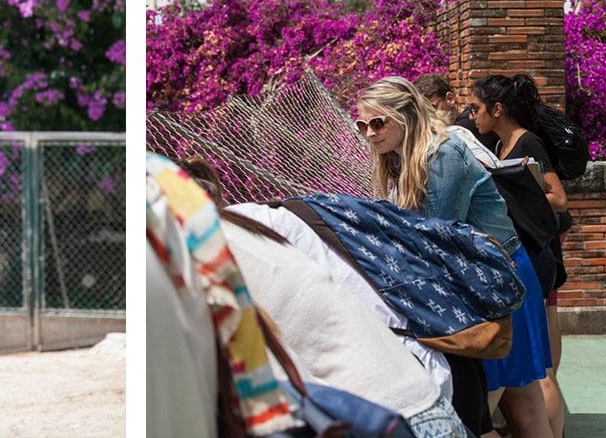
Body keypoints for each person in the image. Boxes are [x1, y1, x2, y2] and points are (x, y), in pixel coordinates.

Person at [175, 158, 467, 438]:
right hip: (422, 400)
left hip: (379, 417)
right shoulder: (245, 225)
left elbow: (277, 389)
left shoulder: (203, 256)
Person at [356, 76, 553, 438]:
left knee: (480, 418)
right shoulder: (404, 158)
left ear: (406, 115)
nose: (369, 133)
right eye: (362, 124)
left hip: (497, 284)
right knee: (524, 407)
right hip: (495, 276)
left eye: (378, 122)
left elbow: (433, 238)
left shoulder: (441, 153)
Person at [470, 74, 568, 438]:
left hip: (537, 251)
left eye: (476, 108)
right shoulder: (499, 145)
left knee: (539, 372)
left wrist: (519, 188)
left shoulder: (527, 142)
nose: (472, 115)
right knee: (529, 370)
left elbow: (559, 198)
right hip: (523, 247)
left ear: (497, 109)